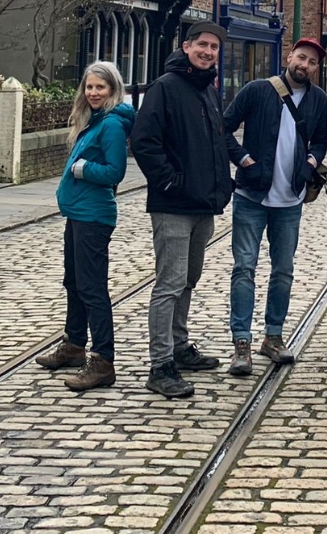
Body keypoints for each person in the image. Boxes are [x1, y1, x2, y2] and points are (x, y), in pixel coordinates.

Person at [130, 22, 235, 399]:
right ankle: (160, 366)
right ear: (187, 47)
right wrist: (170, 181)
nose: (208, 52)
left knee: (188, 279)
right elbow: (143, 141)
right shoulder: (166, 87)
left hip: (202, 205)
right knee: (169, 284)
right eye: (202, 45)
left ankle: (178, 345)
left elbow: (217, 141)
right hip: (173, 205)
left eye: (214, 47)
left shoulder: (207, 90)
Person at [221, 38, 327, 375]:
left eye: (312, 62)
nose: (306, 65)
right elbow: (223, 127)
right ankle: (242, 342)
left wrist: (311, 162)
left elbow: (321, 139)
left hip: (290, 199)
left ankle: (274, 336)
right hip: (251, 195)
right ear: (289, 57)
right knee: (244, 268)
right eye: (301, 58)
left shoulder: (318, 99)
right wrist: (242, 159)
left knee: (283, 271)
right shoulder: (257, 90)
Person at [37, 62, 135, 391]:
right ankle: (75, 345)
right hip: (78, 213)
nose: (93, 93)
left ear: (113, 90)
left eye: (100, 88)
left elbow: (114, 172)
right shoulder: (93, 121)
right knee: (74, 281)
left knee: (92, 288)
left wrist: (81, 168)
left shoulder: (111, 125)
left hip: (94, 216)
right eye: (89, 87)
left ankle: (103, 360)